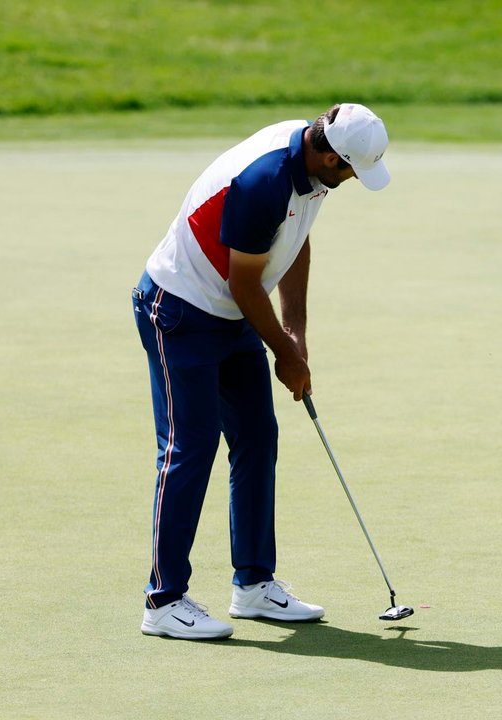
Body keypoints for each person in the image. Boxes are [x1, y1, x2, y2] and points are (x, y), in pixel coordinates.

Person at [131, 103, 390, 640]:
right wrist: (284, 354)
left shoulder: (314, 169)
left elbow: (293, 245)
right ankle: (163, 599)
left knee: (256, 437)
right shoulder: (264, 180)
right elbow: (245, 283)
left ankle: (252, 586)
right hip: (180, 307)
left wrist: (295, 332)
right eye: (349, 172)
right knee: (189, 447)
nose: (350, 182)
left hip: (229, 308)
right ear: (328, 154)